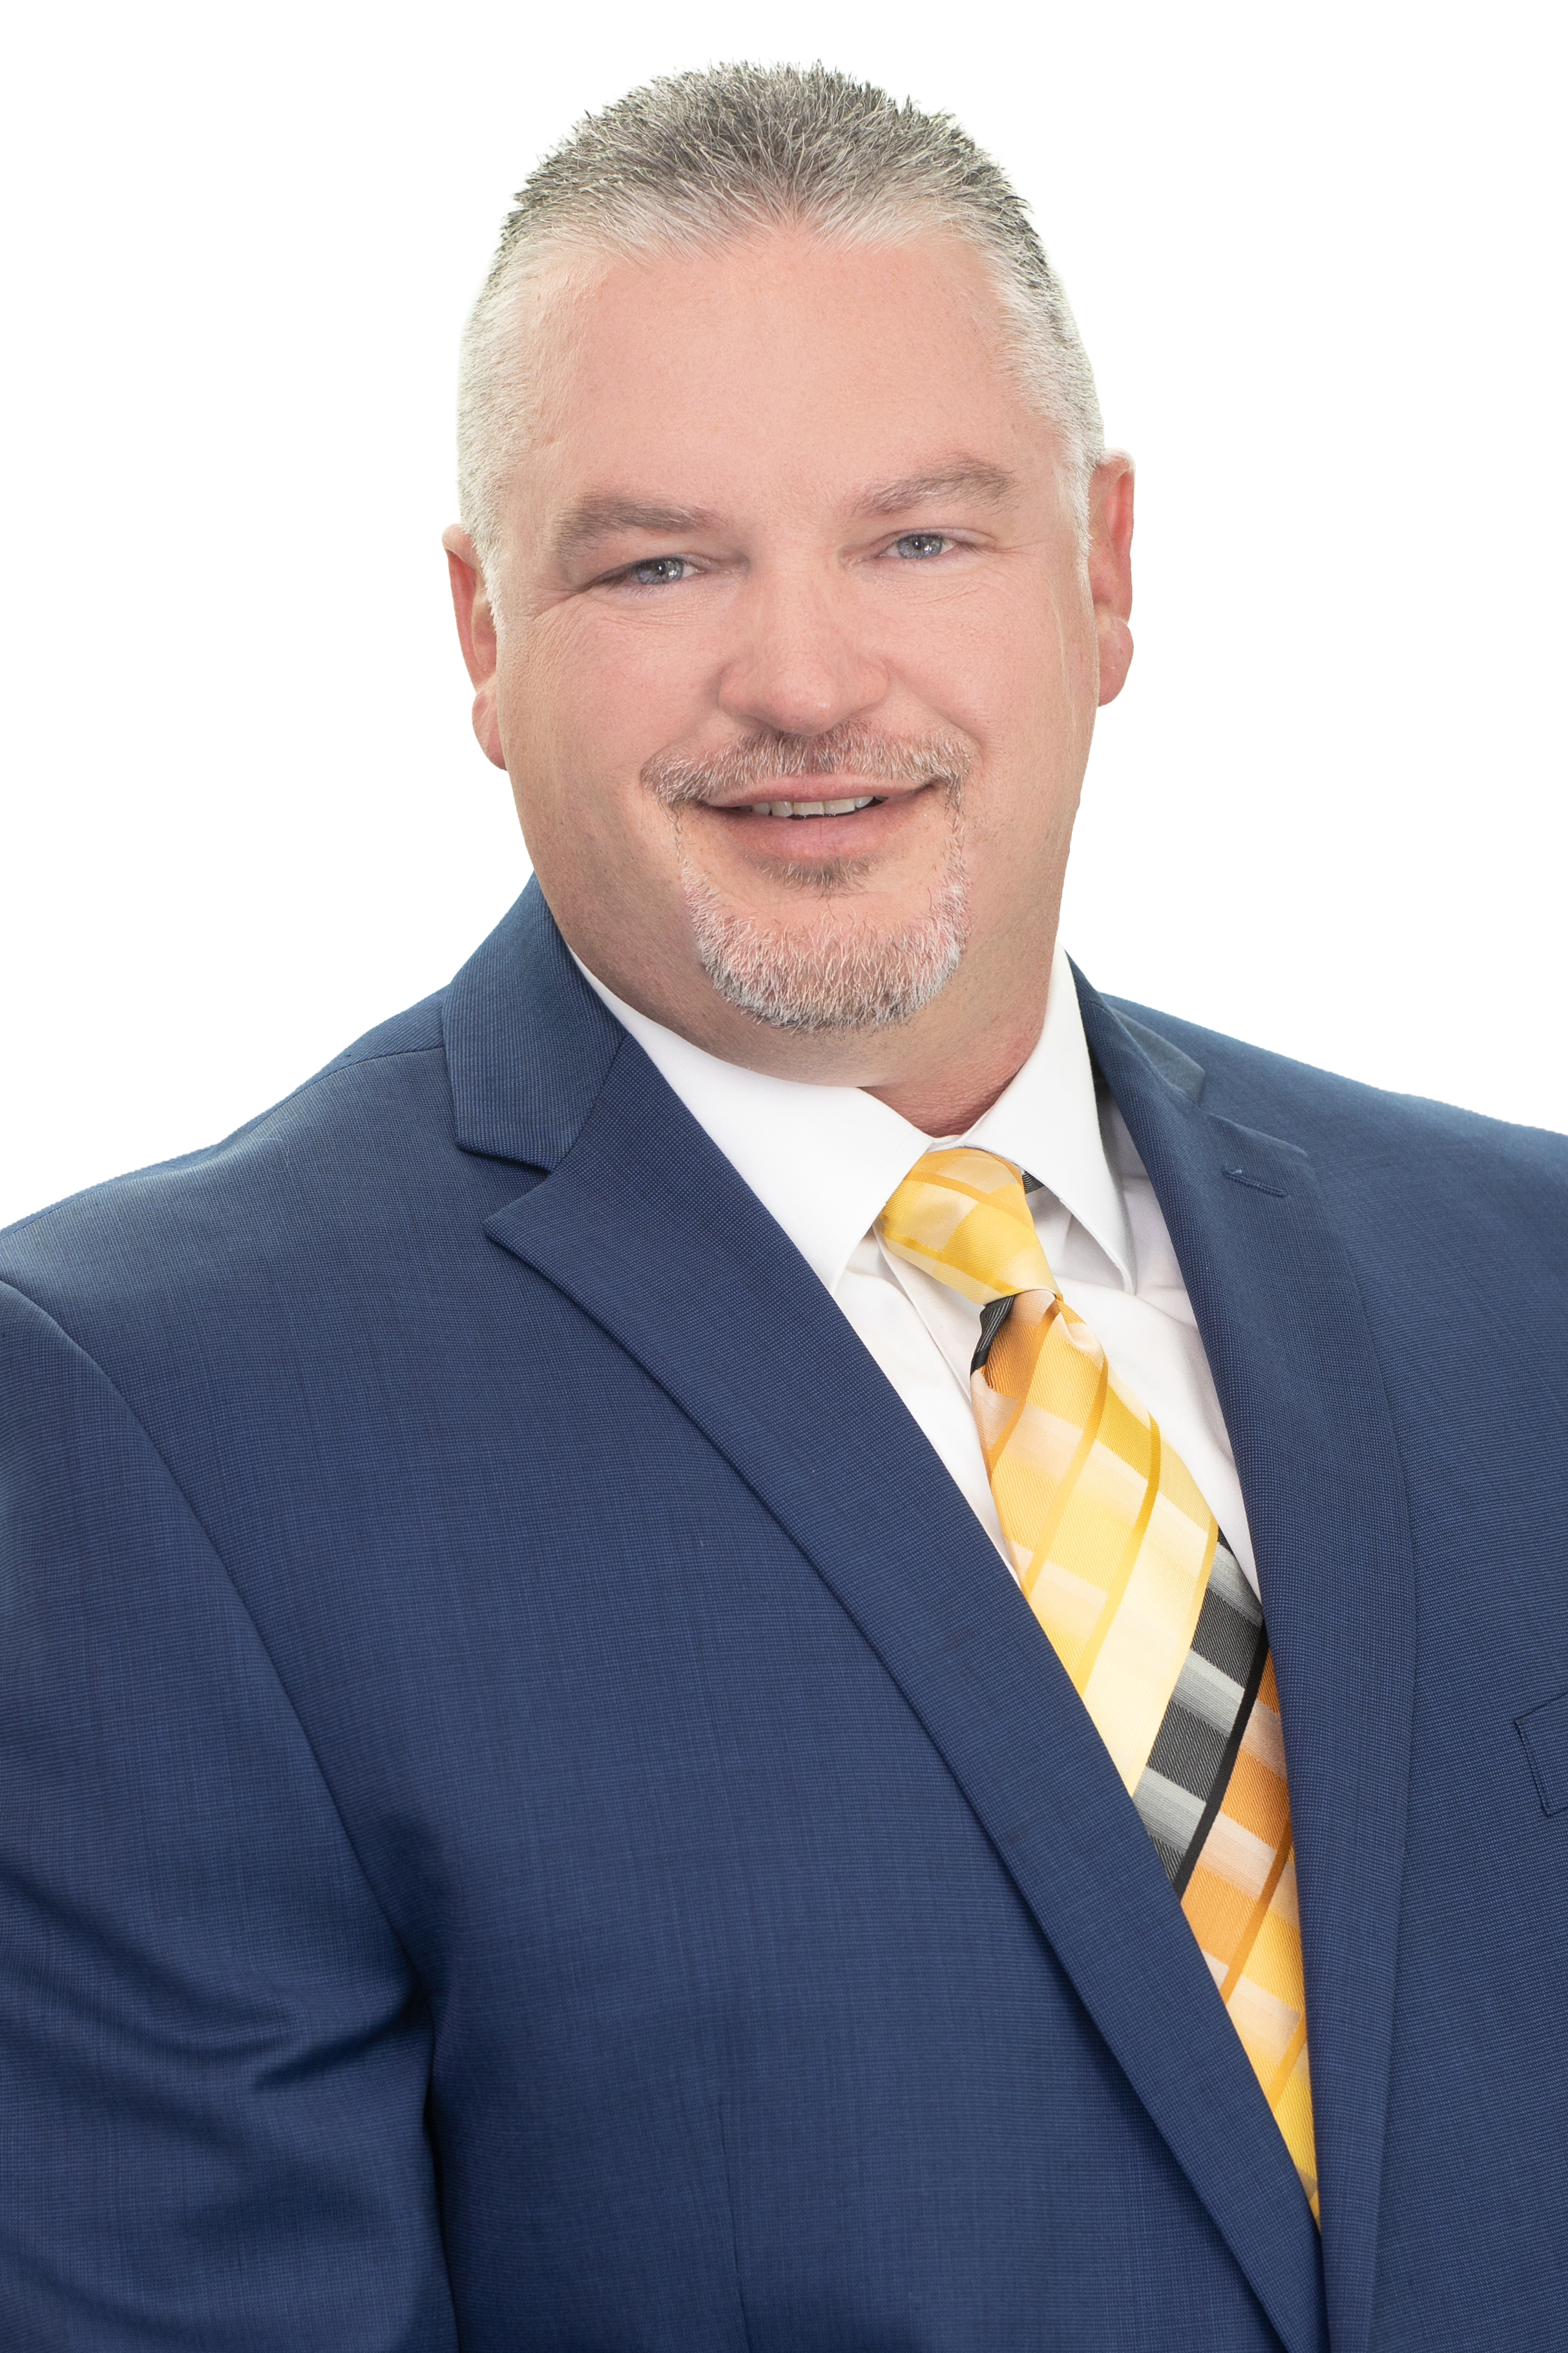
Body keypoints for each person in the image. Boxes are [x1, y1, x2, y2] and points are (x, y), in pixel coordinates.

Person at [1, 59, 1563, 2352]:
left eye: (922, 540)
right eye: (657, 563)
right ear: (481, 636)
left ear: (1106, 575)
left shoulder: (1523, 1292)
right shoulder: (147, 1421)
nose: (806, 681)